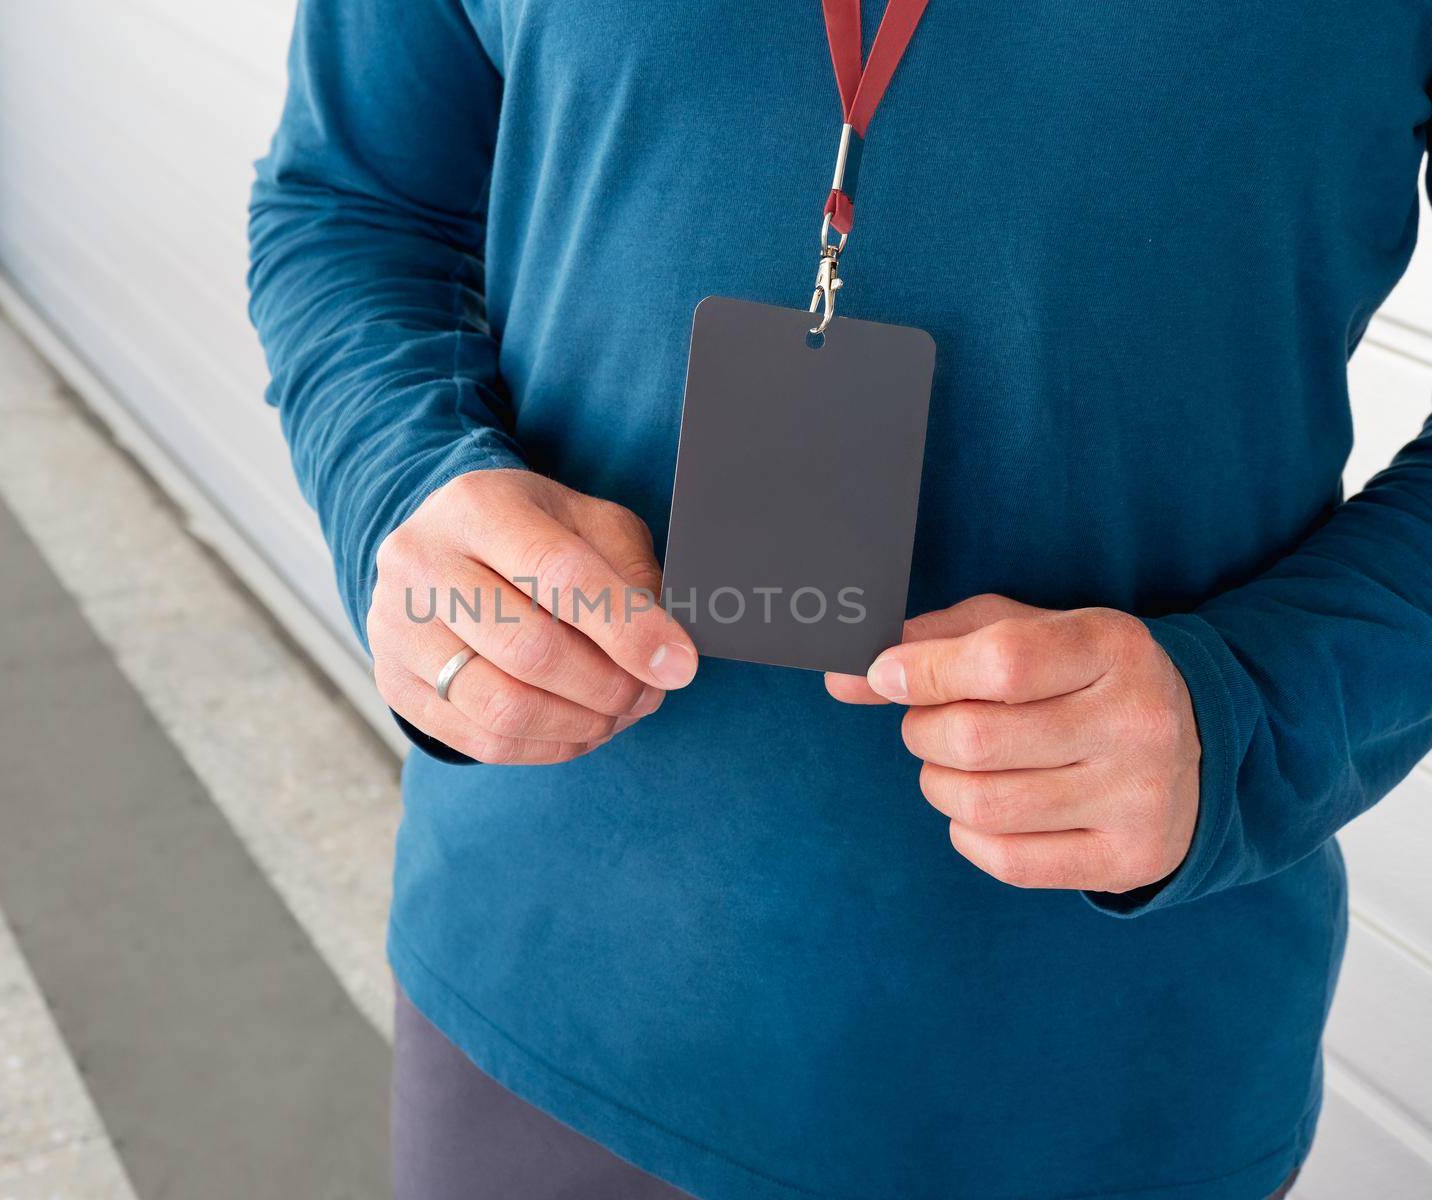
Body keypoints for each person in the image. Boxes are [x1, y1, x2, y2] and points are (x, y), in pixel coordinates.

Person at [247, 2, 1432, 1197]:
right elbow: (354, 199)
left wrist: (1256, 713)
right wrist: (406, 481)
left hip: (1104, 1086)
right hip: (536, 1010)